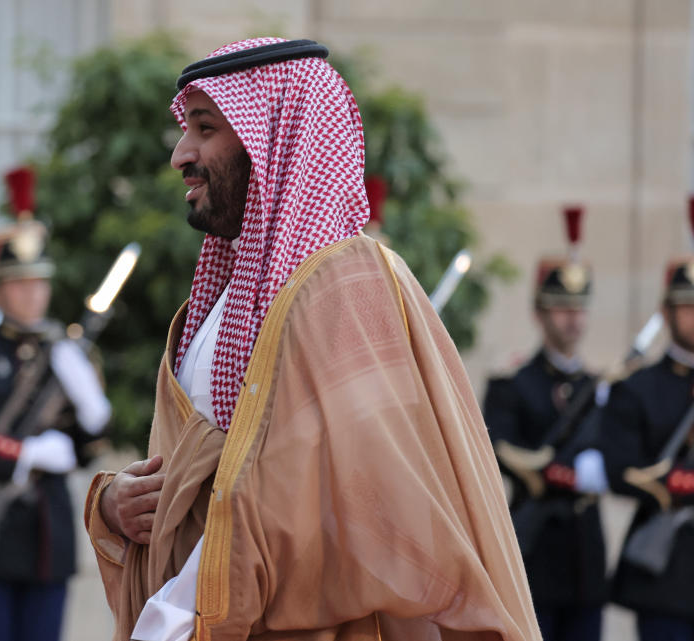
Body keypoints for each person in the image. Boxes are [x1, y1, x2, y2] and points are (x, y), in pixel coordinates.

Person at [83, 37, 540, 641]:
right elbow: (214, 474)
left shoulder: (344, 291)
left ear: (271, 138)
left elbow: (352, 507)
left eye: (205, 128)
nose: (180, 154)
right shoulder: (225, 300)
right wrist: (120, 504)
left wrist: (178, 614)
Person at [0, 166, 111, 641]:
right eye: (19, 282)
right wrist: (25, 454)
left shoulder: (69, 355)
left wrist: (88, 412)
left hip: (46, 536)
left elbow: (88, 442)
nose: (33, 293)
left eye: (40, 282)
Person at [483, 206, 608, 641]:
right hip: (536, 551)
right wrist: (557, 473)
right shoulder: (513, 383)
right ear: (540, 313)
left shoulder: (600, 387)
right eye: (560, 309)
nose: (572, 319)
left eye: (579, 309)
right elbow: (497, 447)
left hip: (585, 559)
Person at [602, 206, 694, 641]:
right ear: (667, 311)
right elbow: (619, 470)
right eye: (687, 306)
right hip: (668, 578)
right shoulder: (640, 387)